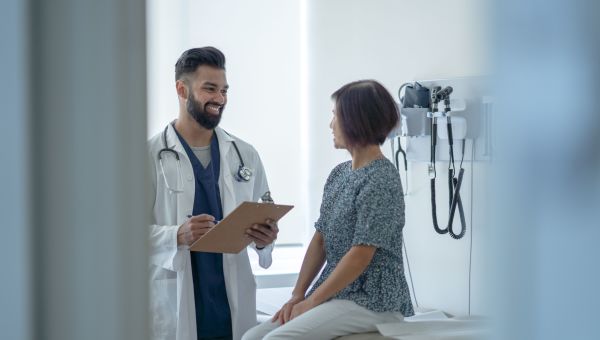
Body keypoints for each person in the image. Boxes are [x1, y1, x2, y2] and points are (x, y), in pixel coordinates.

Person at [242, 80, 414, 340]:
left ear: (357, 120)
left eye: (335, 115)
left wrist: (311, 304)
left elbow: (360, 255)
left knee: (277, 339)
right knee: (252, 337)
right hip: (340, 292)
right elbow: (320, 240)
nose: (330, 124)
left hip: (373, 299)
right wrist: (298, 295)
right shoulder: (339, 175)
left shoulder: (381, 178)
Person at [147, 46, 279, 340]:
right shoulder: (148, 156)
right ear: (182, 90)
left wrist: (265, 240)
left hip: (230, 301)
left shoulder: (244, 154)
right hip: (176, 298)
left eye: (224, 90)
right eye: (210, 89)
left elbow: (263, 218)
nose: (219, 99)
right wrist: (175, 235)